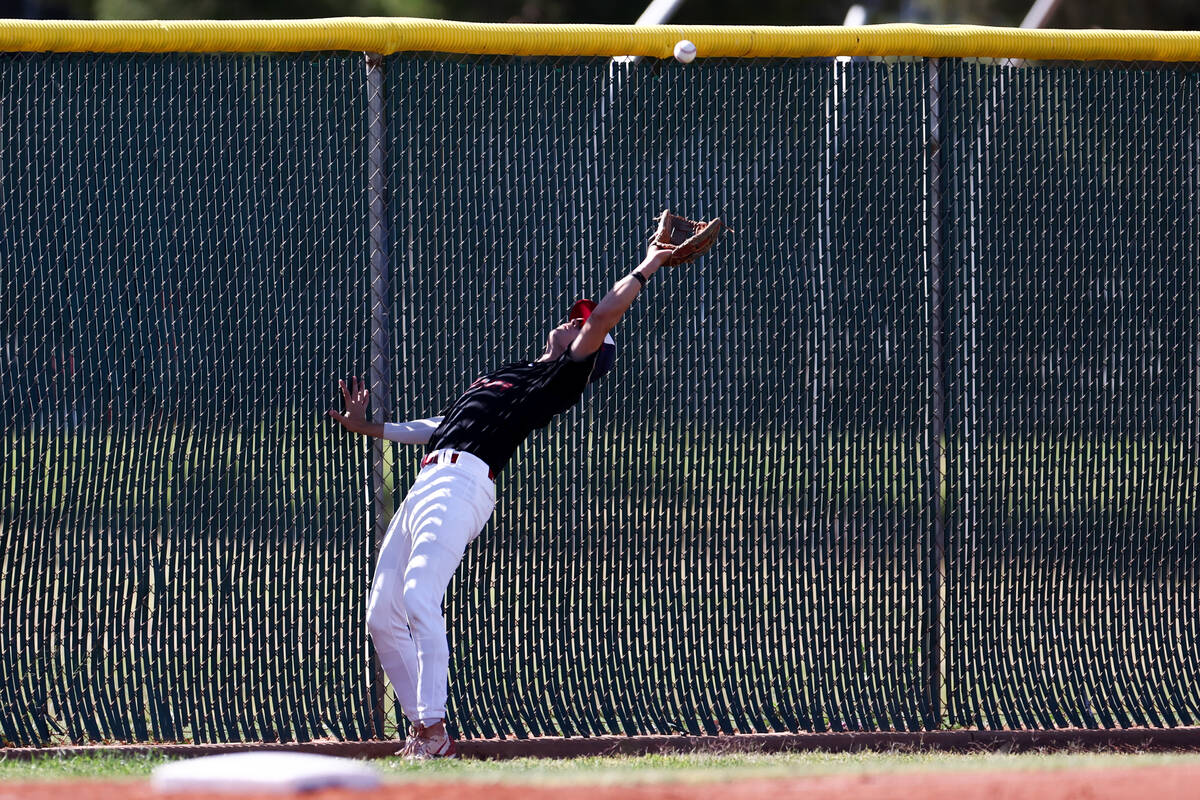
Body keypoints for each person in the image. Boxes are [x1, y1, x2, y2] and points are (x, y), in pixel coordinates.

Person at [329, 240, 677, 759]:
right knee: (382, 614)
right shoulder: (513, 371)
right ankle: (422, 734)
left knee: (420, 598)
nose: (574, 321)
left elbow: (605, 315)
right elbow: (443, 427)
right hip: (426, 483)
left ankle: (434, 731)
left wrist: (650, 263)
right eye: (575, 319)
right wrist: (369, 428)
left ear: (587, 348)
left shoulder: (562, 378)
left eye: (581, 325)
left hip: (463, 485)